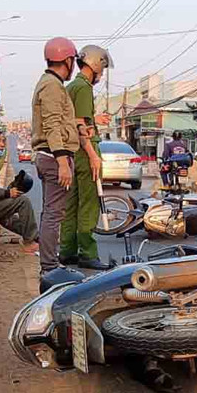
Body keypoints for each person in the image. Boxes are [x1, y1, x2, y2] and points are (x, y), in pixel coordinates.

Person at [59, 45, 113, 270]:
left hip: (72, 153)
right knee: (89, 205)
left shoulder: (72, 86)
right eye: (103, 68)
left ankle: (67, 251)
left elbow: (77, 118)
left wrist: (94, 119)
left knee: (71, 205)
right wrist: (92, 155)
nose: (102, 74)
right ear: (95, 64)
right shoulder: (83, 88)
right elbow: (81, 125)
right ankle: (88, 254)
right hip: (84, 151)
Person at [31, 37, 81, 273]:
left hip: (49, 156)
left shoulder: (50, 83)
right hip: (54, 158)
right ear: (68, 60)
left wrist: (76, 126)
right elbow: (51, 124)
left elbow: (58, 120)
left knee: (50, 212)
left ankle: (49, 262)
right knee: (53, 214)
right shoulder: (52, 85)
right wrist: (62, 162)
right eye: (73, 61)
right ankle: (50, 266)